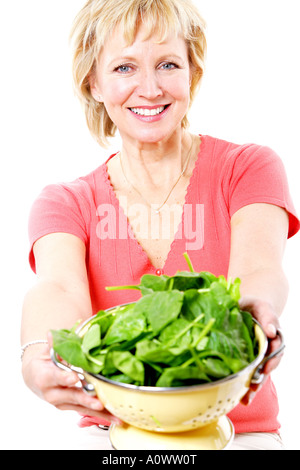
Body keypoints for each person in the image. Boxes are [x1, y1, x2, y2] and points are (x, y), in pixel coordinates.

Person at [21, 0, 299, 450]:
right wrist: (36, 356)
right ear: (93, 82)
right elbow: (58, 290)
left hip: (240, 433)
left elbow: (260, 266)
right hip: (113, 434)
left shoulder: (247, 168)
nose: (149, 89)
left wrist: (254, 308)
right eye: (125, 68)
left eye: (168, 64)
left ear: (192, 71)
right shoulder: (66, 201)